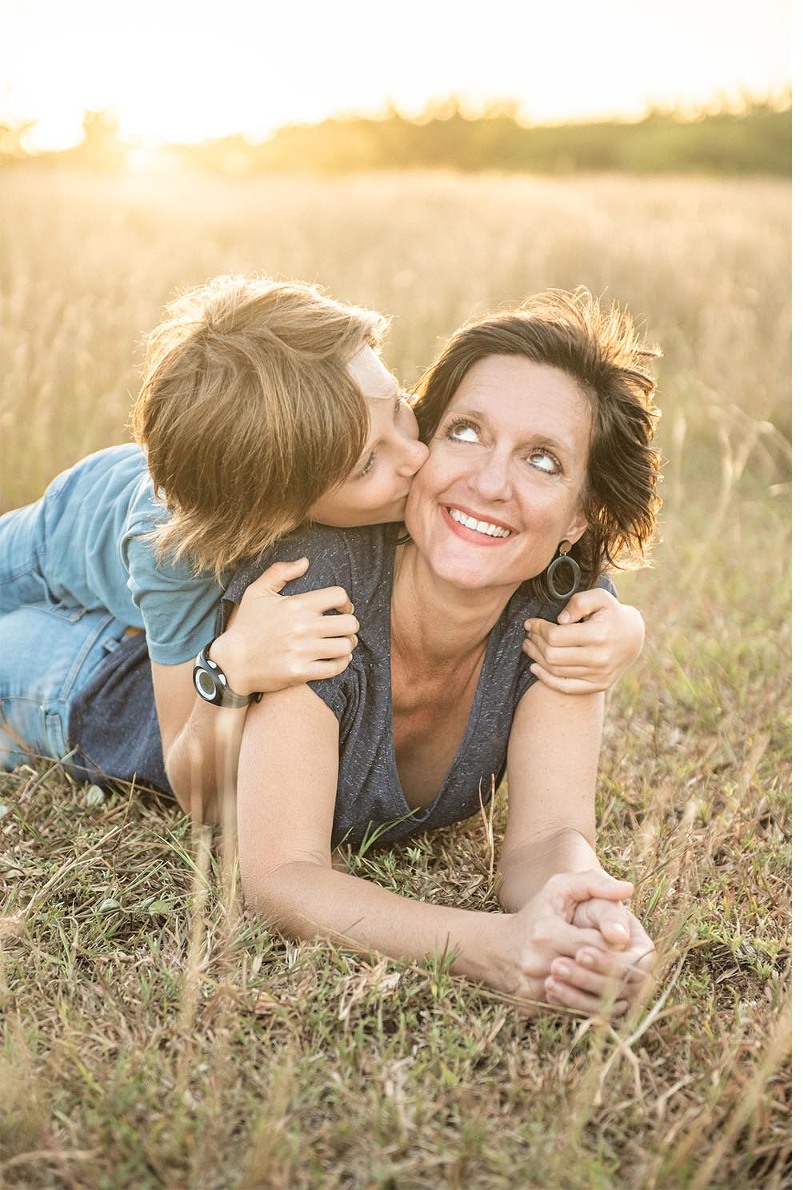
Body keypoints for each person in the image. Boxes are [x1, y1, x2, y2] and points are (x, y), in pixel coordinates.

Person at [71, 288, 663, 1015]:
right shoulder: (308, 588)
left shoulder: (572, 616)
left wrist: (586, 910)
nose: (488, 482)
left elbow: (550, 836)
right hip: (90, 673)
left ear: (580, 517)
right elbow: (279, 872)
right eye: (467, 431)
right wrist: (492, 948)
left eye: (543, 460)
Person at [0, 276, 644, 819]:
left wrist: (626, 627)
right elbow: (191, 773)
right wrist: (233, 665)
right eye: (369, 465)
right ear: (284, 514)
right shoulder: (176, 553)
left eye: (400, 408)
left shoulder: (347, 446)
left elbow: (525, 528)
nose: (417, 455)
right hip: (56, 541)